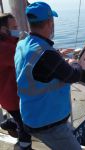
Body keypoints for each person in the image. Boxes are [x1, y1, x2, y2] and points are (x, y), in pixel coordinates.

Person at [14, 2, 82, 150]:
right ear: (50, 23)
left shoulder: (22, 44)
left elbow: (37, 64)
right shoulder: (47, 55)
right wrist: (75, 62)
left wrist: (56, 55)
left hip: (30, 115)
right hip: (49, 124)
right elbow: (73, 75)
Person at [0, 13, 32, 150]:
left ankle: (8, 124)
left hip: (8, 94)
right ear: (3, 29)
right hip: (11, 96)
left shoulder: (8, 43)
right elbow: (24, 58)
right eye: (14, 26)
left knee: (20, 118)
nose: (17, 28)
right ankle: (25, 146)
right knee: (25, 126)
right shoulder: (4, 48)